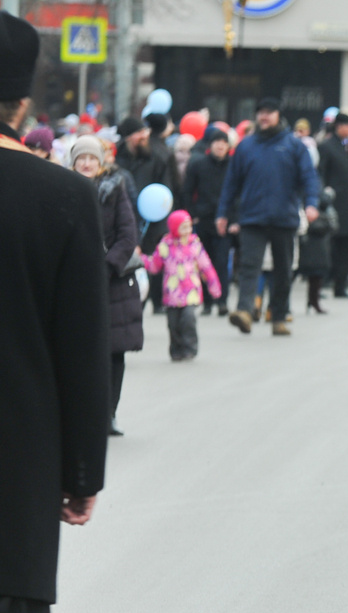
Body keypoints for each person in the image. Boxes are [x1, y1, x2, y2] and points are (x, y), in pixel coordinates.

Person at [0, 14, 110, 613]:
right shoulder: (62, 197)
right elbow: (83, 354)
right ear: (22, 99)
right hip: (14, 477)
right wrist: (81, 471)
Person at [217, 97, 322, 337]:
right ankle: (244, 311)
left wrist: (312, 204)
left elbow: (308, 177)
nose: (264, 117)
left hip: (284, 217)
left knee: (283, 270)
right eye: (260, 112)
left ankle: (279, 315)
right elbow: (231, 183)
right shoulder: (246, 146)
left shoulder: (294, 146)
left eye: (269, 112)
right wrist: (223, 213)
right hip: (252, 217)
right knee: (249, 266)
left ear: (278, 116)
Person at [71, 135, 143, 435]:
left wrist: (106, 267)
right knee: (78, 351)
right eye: (81, 158)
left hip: (112, 282)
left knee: (114, 352)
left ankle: (109, 413)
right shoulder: (64, 189)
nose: (87, 163)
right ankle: (81, 414)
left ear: (101, 162)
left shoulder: (116, 189)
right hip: (73, 281)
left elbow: (128, 234)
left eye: (92, 158)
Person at [142, 210, 223, 360]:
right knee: (173, 323)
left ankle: (190, 347)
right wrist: (141, 259)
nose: (187, 231)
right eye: (183, 227)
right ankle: (176, 349)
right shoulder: (165, 245)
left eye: (189, 227)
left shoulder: (194, 245)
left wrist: (214, 285)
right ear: (174, 228)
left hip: (190, 291)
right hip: (172, 293)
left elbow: (206, 267)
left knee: (188, 319)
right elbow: (155, 265)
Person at [116, 115, 175, 314]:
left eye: (144, 132)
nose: (143, 137)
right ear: (128, 137)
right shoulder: (117, 158)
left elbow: (168, 189)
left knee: (153, 260)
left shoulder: (159, 157)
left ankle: (155, 301)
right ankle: (130, 303)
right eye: (138, 133)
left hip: (153, 219)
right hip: (123, 215)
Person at [183, 129, 233, 315]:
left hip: (224, 220)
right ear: (210, 145)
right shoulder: (198, 164)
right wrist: (192, 212)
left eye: (223, 142)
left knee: (222, 262)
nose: (220, 146)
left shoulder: (233, 166)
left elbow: (239, 194)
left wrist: (234, 218)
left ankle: (222, 301)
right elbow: (187, 190)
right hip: (203, 218)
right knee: (203, 263)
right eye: (217, 142)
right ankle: (207, 302)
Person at [317, 113, 348, 298]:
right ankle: (324, 281)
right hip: (333, 205)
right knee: (330, 246)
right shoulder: (327, 147)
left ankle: (341, 285)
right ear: (339, 127)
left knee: (346, 247)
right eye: (347, 126)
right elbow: (320, 175)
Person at [297, 186, 338, 314]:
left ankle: (314, 301)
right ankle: (281, 306)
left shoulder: (314, 182)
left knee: (317, 272)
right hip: (303, 230)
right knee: (290, 272)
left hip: (317, 237)